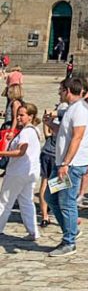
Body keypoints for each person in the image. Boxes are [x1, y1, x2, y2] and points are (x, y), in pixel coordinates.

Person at [47, 77, 88, 257]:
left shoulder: (80, 110)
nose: (59, 93)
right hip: (63, 163)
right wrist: (50, 125)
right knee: (50, 197)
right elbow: (66, 133)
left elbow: (77, 137)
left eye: (61, 90)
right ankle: (72, 229)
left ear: (67, 90)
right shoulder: (71, 109)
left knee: (66, 202)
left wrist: (66, 163)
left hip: (71, 166)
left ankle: (69, 241)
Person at [0, 103, 41, 242]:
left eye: (22, 115)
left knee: (5, 201)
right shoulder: (35, 130)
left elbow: (21, 151)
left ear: (30, 116)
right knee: (26, 202)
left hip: (18, 172)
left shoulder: (25, 132)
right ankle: (33, 231)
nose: (18, 117)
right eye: (18, 114)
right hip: (31, 172)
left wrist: (2, 153)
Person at [38, 83, 69, 229]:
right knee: (59, 186)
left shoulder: (57, 109)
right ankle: (63, 216)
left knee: (46, 183)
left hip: (48, 149)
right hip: (57, 154)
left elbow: (47, 132)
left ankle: (44, 215)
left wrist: (48, 124)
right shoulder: (66, 109)